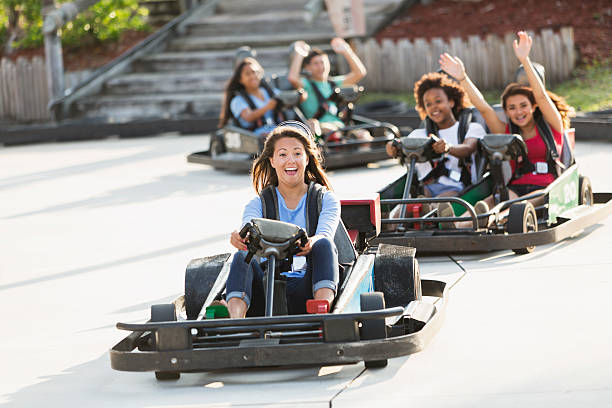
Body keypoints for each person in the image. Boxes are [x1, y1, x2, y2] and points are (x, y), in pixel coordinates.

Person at [439, 31, 574, 217]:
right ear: (507, 112)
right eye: (512, 108)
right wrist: (463, 78)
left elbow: (541, 96)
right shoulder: (507, 131)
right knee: (494, 200)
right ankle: (458, 223)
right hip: (516, 186)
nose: (518, 112)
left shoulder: (552, 125)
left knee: (518, 205)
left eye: (523, 106)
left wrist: (525, 61)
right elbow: (484, 108)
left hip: (546, 187)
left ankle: (497, 218)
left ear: (533, 107)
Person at [226, 121, 341, 318]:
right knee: (240, 257)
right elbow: (249, 227)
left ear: (307, 159)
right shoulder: (258, 203)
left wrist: (311, 242)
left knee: (323, 245)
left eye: (297, 153)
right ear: (272, 160)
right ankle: (236, 321)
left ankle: (322, 310)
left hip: (308, 284)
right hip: (266, 285)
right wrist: (240, 237)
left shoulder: (325, 199)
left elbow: (326, 233)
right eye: (282, 154)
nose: (291, 160)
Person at [386, 72, 486, 199]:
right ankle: (422, 207)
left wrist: (448, 148)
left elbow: (468, 148)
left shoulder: (471, 128)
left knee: (440, 203)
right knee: (402, 210)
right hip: (426, 188)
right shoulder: (420, 134)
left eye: (438, 101)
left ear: (451, 102)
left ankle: (429, 208)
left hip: (458, 188)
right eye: (428, 104)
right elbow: (401, 145)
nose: (434, 107)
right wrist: (392, 147)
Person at [287, 37, 372, 142]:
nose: (320, 67)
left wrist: (346, 50)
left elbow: (360, 73)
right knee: (332, 132)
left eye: (323, 62)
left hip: (340, 125)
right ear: (308, 68)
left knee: (364, 135)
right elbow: (292, 78)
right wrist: (299, 55)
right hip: (320, 127)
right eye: (316, 64)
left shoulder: (334, 83)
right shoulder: (306, 84)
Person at [219, 57, 281, 136]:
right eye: (248, 74)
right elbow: (249, 117)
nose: (252, 76)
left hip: (276, 130)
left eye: (254, 72)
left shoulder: (269, 91)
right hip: (255, 136)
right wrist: (268, 107)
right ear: (240, 79)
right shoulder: (237, 100)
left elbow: (284, 96)